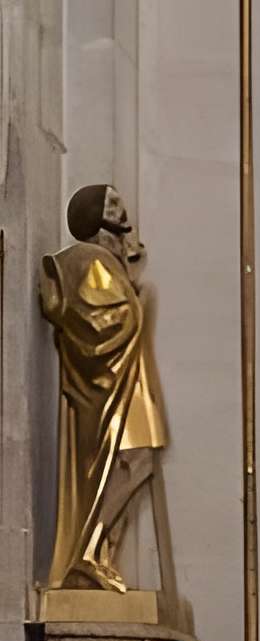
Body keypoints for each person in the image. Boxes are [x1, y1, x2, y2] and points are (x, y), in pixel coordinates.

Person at [37, 184, 172, 594]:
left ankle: (99, 553)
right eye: (113, 204)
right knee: (134, 460)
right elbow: (105, 322)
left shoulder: (104, 263)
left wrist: (130, 281)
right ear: (96, 217)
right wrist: (136, 299)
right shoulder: (90, 260)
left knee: (137, 462)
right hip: (110, 388)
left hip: (126, 380)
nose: (123, 211)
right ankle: (90, 552)